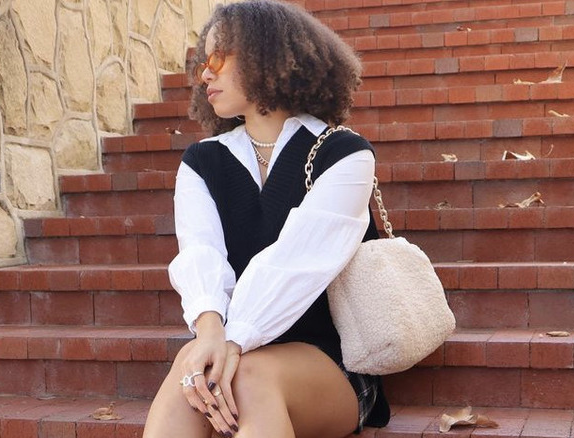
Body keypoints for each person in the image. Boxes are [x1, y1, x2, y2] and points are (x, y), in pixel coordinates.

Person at [142, 1, 390, 437]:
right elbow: (200, 254)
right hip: (229, 347)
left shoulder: (343, 154)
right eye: (204, 61)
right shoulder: (203, 161)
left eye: (219, 58)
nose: (205, 74)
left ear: (266, 56)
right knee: (191, 369)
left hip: (329, 361)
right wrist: (210, 334)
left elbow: (296, 263)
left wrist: (230, 343)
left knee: (249, 375)